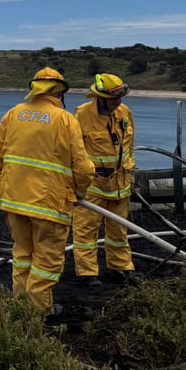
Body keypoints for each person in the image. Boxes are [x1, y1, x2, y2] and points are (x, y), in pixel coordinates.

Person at [0, 68, 95, 314]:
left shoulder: (13, 114)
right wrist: (79, 193)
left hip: (14, 201)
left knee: (22, 254)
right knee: (46, 261)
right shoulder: (65, 119)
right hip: (50, 204)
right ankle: (39, 311)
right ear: (60, 91)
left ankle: (21, 306)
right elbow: (83, 167)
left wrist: (2, 184)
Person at [72, 73, 137, 286]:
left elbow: (129, 146)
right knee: (86, 231)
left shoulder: (124, 112)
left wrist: (130, 172)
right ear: (98, 97)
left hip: (120, 185)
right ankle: (87, 273)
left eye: (120, 97)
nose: (117, 102)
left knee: (119, 230)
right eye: (113, 98)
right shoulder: (81, 115)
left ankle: (121, 268)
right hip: (93, 187)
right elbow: (72, 151)